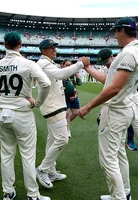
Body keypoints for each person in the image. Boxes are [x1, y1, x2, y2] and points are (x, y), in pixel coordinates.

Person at [0, 32, 51, 200]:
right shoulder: (28, 64)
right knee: (28, 156)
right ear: (20, 44)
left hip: (3, 114)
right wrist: (37, 103)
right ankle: (33, 195)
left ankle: (8, 192)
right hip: (22, 113)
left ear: (5, 45)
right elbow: (46, 83)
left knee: (6, 154)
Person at [79, 17, 138, 200]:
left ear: (122, 31)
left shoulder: (127, 53)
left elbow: (114, 88)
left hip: (116, 111)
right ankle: (123, 194)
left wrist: (88, 106)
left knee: (108, 160)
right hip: (125, 107)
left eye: (116, 32)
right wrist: (88, 69)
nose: (115, 36)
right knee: (119, 155)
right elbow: (109, 80)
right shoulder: (137, 50)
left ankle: (119, 197)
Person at [35, 39, 90, 189]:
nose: (54, 49)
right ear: (43, 50)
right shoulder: (43, 64)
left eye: (55, 47)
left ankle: (51, 171)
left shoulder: (47, 63)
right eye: (50, 47)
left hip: (55, 106)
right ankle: (42, 169)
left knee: (52, 140)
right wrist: (80, 64)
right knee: (63, 139)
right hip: (53, 108)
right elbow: (60, 74)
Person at [96, 47, 138, 183]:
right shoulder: (115, 66)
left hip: (133, 99)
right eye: (104, 64)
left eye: (107, 62)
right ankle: (119, 169)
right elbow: (109, 87)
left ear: (113, 56)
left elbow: (112, 84)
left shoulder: (126, 60)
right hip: (121, 103)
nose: (107, 65)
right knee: (119, 136)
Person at [61, 59, 82, 138]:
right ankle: (67, 130)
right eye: (66, 65)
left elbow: (78, 84)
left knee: (76, 112)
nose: (68, 66)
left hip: (74, 96)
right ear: (62, 65)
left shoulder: (73, 74)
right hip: (65, 97)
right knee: (66, 114)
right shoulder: (60, 74)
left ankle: (64, 124)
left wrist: (78, 78)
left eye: (70, 65)